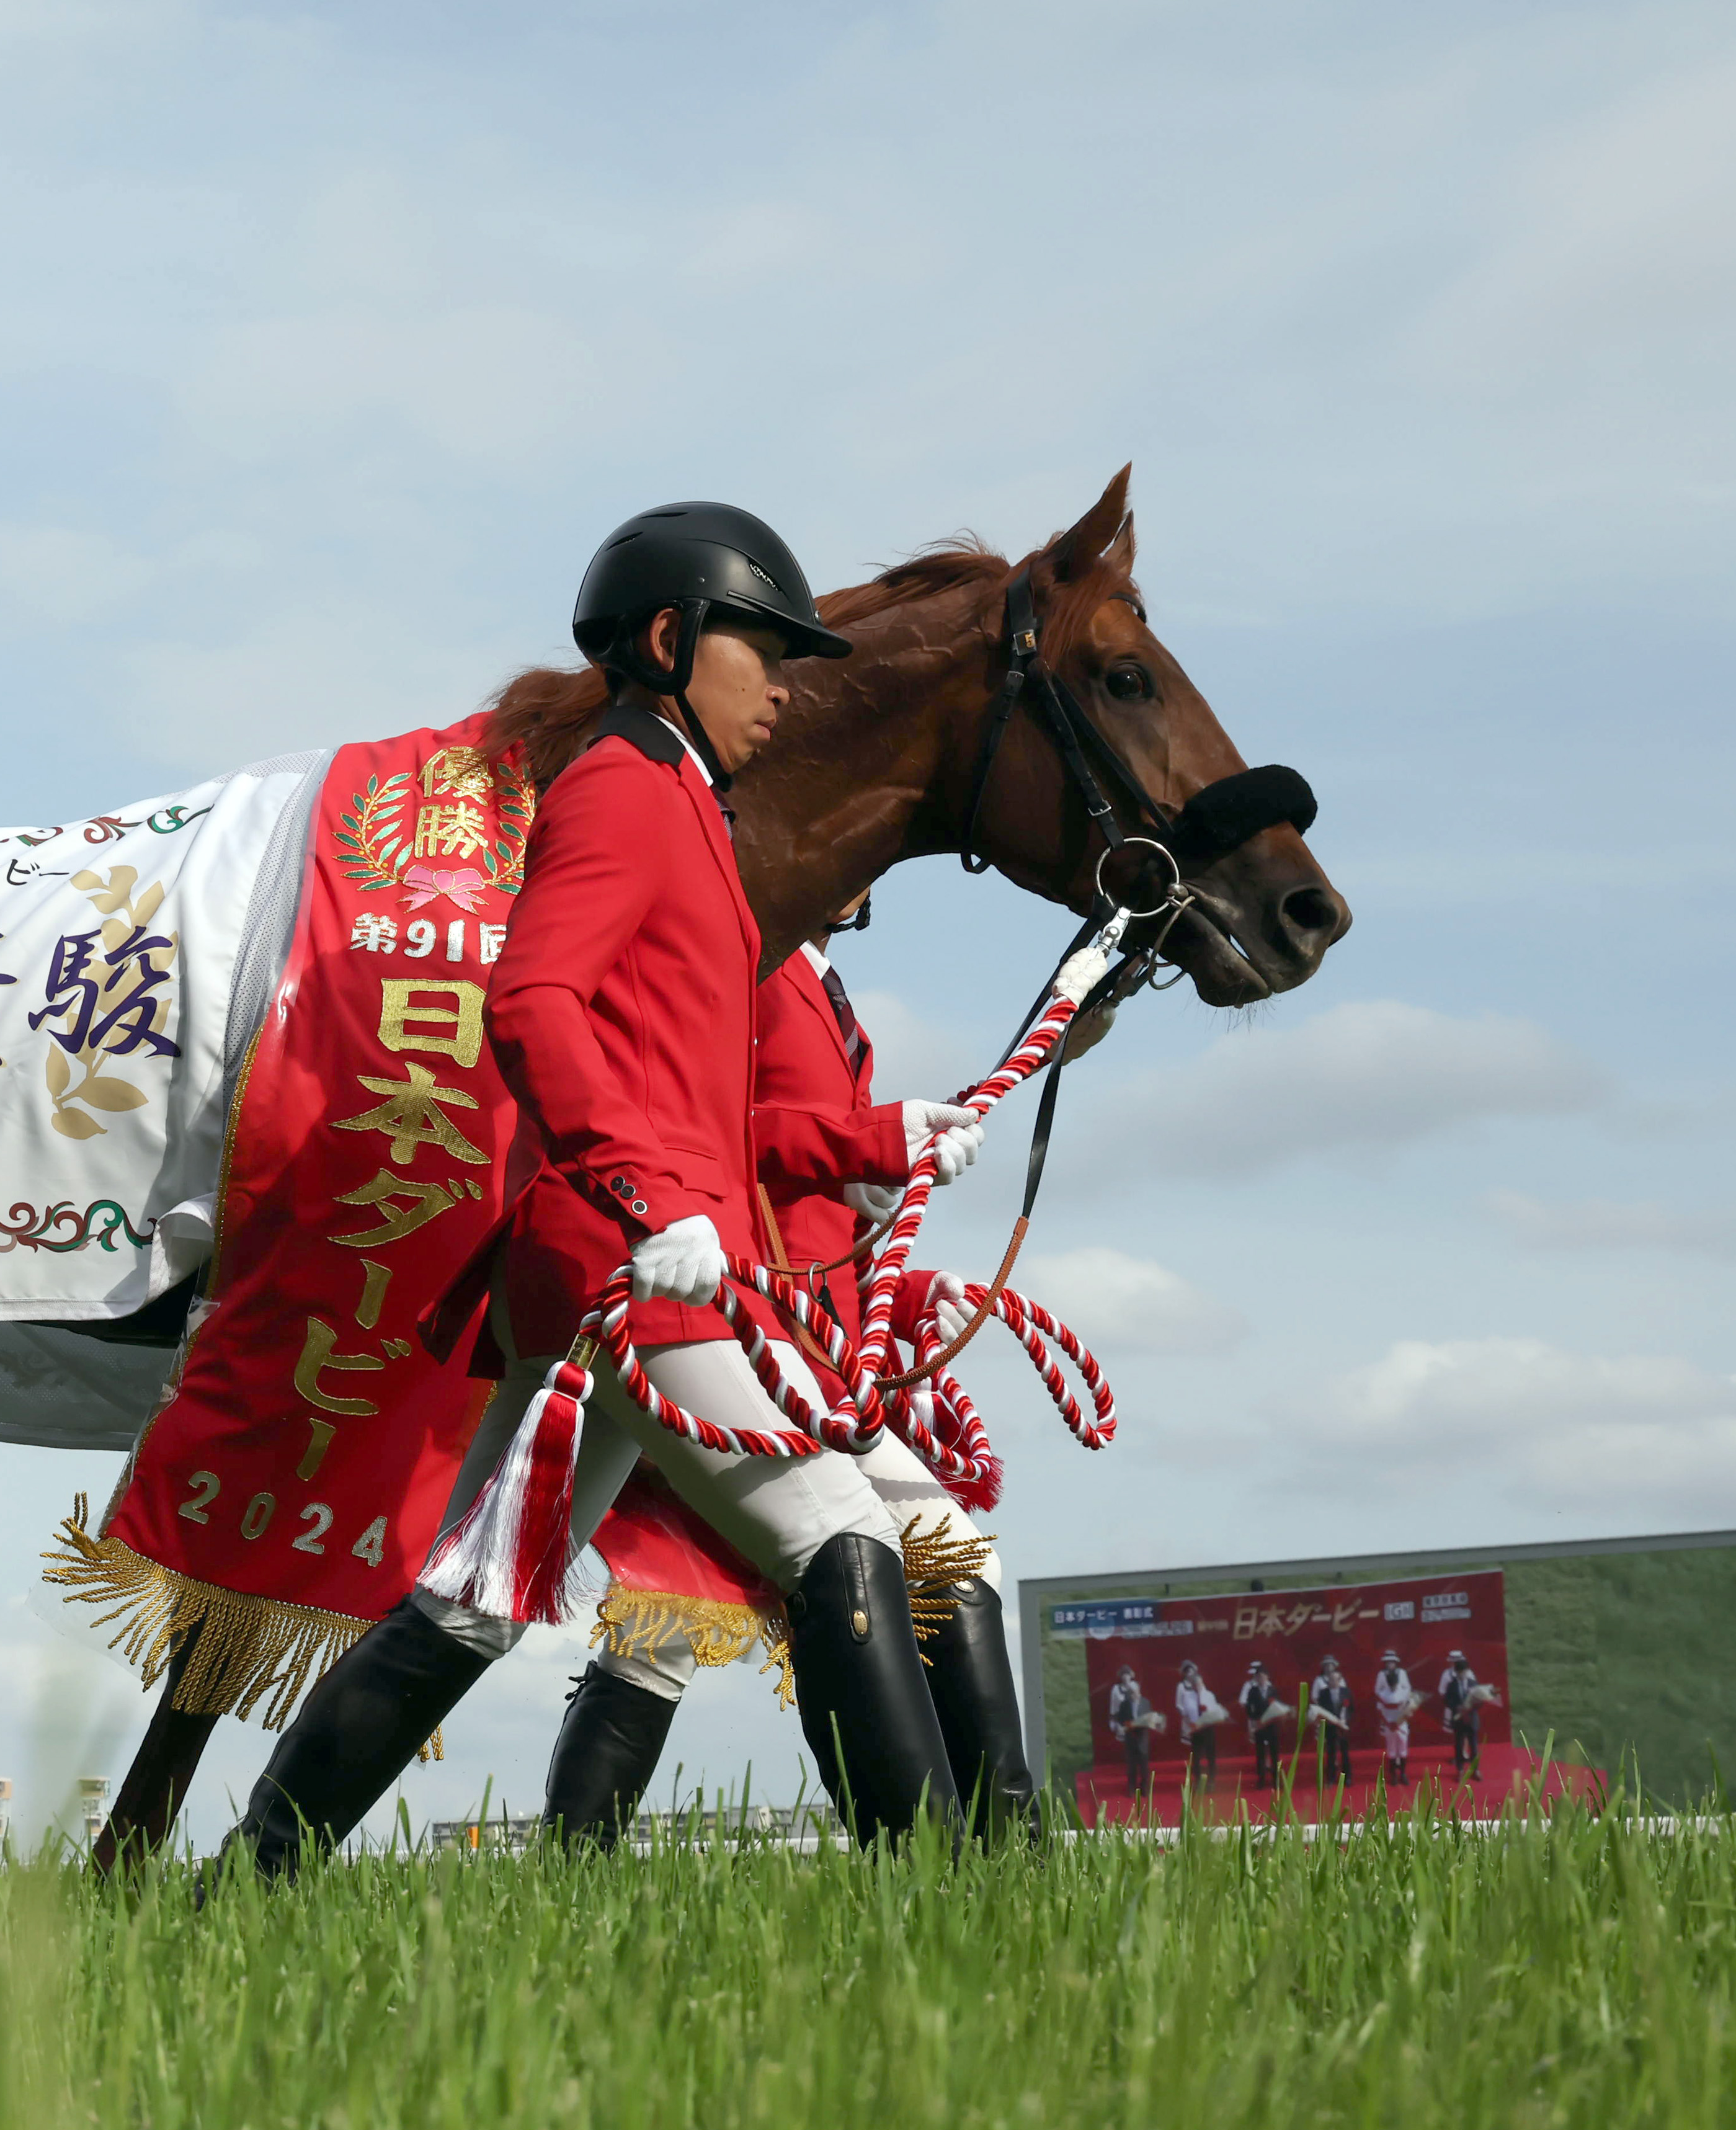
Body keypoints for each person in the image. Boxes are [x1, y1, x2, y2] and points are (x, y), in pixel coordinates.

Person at [212, 502, 994, 1877]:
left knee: (472, 1597)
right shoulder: (625, 786)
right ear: (670, 638)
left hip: (664, 1261)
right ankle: (941, 1890)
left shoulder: (687, 799)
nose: (787, 685)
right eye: (766, 651)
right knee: (841, 1532)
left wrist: (878, 1140)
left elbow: (697, 1084)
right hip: (633, 1269)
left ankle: (247, 1877)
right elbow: (534, 997)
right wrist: (645, 1199)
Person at [538, 901, 1019, 1848]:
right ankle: (952, 1859)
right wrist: (870, 1142)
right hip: (723, 1325)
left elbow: (803, 1202)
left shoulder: (810, 973)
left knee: (944, 1561)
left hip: (807, 1339)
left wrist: (909, 1285)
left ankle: (1002, 1854)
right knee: (664, 1628)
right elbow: (722, 1133)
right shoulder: (747, 960)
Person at [1105, 1664, 1160, 1806]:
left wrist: (1149, 1722)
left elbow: (1150, 1719)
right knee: (1131, 1765)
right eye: (1133, 1693)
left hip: (1142, 1738)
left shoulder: (1146, 1703)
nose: (1135, 1694)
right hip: (1130, 1737)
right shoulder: (1124, 1704)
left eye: (1137, 1692)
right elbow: (1121, 1719)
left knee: (1144, 1765)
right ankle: (1131, 1788)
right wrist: (1126, 1725)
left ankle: (1145, 1789)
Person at [1439, 1647, 1495, 1783]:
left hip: (1471, 1719)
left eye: (1465, 1672)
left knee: (1474, 1746)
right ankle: (1460, 1770)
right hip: (1458, 1719)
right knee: (1458, 1746)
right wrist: (1457, 1708)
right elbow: (1447, 1699)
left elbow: (1481, 1700)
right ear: (1457, 1672)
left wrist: (1471, 1708)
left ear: (1467, 1671)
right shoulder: (1452, 1685)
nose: (1463, 1674)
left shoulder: (1473, 1683)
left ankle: (1475, 1770)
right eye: (1460, 1672)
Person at [1239, 1659, 1288, 1792]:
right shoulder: (1253, 1691)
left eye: (1263, 1676)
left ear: (1267, 1677)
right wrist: (1255, 1720)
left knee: (1274, 1754)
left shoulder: (1273, 1690)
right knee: (1260, 1754)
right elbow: (1249, 1707)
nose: (1261, 1678)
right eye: (1258, 1676)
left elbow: (1278, 1706)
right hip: (1260, 1725)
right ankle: (1261, 1780)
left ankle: (1276, 1780)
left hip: (1272, 1725)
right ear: (1256, 1678)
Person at [1177, 1659, 1224, 1793]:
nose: (1198, 1686)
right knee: (1196, 1758)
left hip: (1208, 1729)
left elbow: (1215, 1711)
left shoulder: (1209, 1695)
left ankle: (1212, 1781)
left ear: (1202, 1683)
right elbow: (1186, 1711)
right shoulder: (1188, 1696)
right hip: (1196, 1729)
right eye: (1195, 1684)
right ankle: (1197, 1782)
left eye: (1200, 1683)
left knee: (1211, 1756)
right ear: (1192, 1685)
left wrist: (1208, 1714)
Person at [1373, 1648, 1417, 1788]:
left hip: (1401, 1721)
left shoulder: (1402, 1675)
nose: (1390, 1664)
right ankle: (1393, 1774)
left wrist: (1404, 1701)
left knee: (1403, 1747)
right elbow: (1377, 1691)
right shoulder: (1382, 1676)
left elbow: (1408, 1689)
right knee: (1391, 1749)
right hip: (1389, 1721)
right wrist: (1388, 1721)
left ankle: (1403, 1773)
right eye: (1388, 1662)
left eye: (1392, 1662)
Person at [1311, 1653, 1355, 1789]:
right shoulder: (1323, 1692)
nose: (1333, 1682)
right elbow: (1318, 1706)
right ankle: (1330, 1778)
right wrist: (1327, 1719)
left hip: (1343, 1726)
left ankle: (1347, 1778)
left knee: (1345, 1753)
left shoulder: (1345, 1691)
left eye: (1335, 1680)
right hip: (1330, 1726)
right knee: (1331, 1753)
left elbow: (1350, 1707)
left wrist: (1345, 1720)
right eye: (1331, 1680)